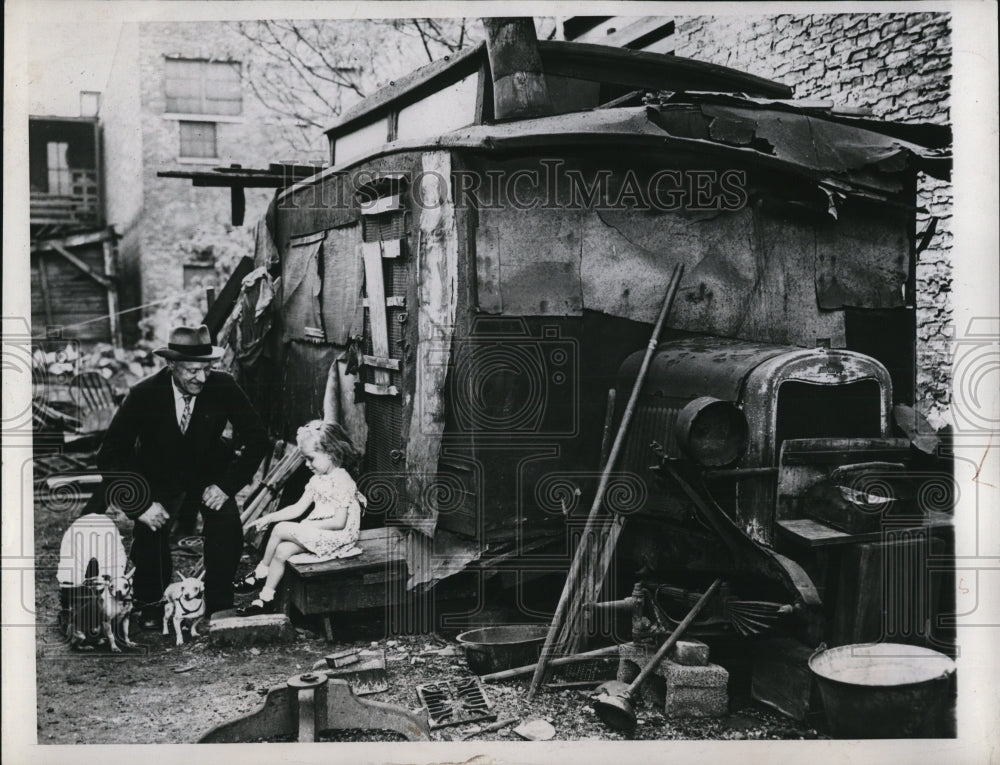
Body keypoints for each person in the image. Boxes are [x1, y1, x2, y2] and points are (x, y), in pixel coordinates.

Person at [81, 325, 269, 626]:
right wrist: (140, 505)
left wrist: (225, 486)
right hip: (158, 477)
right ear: (171, 366)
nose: (201, 378)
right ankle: (153, 605)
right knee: (150, 535)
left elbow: (258, 438)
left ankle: (218, 606)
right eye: (192, 371)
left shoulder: (222, 386)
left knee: (227, 528)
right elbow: (110, 454)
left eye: (206, 369)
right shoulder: (144, 394)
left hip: (208, 475)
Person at [234, 420, 366, 616]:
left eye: (310, 459)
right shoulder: (317, 479)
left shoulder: (342, 481)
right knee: (281, 550)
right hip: (323, 531)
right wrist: (269, 517)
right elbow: (297, 508)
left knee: (281, 530)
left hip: (339, 536)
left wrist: (307, 526)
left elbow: (339, 523)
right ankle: (265, 599)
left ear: (330, 454)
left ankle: (260, 573)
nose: (307, 464)